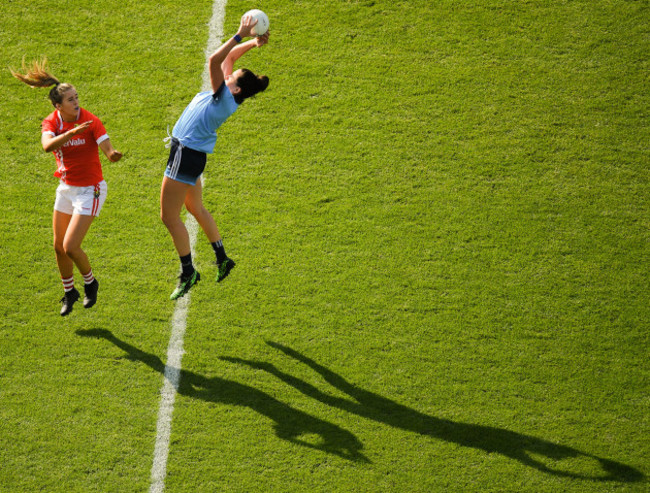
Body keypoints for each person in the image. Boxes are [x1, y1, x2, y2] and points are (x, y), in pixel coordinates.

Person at [161, 15, 270, 300]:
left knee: (169, 217)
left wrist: (238, 33)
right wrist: (253, 42)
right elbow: (229, 57)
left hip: (184, 157)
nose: (227, 73)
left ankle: (188, 272)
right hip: (194, 156)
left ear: (233, 87)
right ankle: (222, 257)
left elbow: (214, 60)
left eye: (231, 76)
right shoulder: (229, 95)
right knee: (195, 207)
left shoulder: (223, 97)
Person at [11, 58, 123, 316]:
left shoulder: (90, 120)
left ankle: (91, 282)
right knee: (57, 245)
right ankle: (69, 291)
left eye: (77, 97)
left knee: (71, 246)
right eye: (71, 99)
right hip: (66, 188)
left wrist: (112, 154)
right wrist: (72, 133)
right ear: (58, 105)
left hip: (90, 189)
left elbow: (107, 147)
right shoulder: (51, 123)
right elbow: (47, 146)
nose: (76, 102)